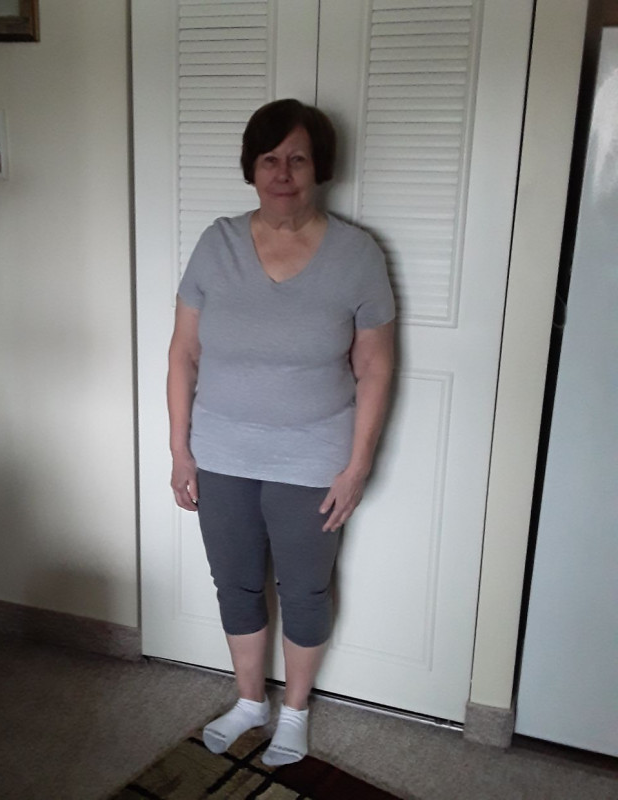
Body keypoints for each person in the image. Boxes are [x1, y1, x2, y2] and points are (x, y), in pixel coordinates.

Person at [166, 99, 395, 766]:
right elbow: (183, 352)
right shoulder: (217, 243)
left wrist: (358, 466)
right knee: (235, 582)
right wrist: (180, 449)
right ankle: (249, 702)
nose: (283, 172)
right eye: (269, 159)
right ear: (252, 169)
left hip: (313, 458)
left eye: (297, 158)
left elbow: (376, 366)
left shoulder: (356, 254)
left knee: (305, 589)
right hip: (221, 452)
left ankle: (293, 712)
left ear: (319, 167)